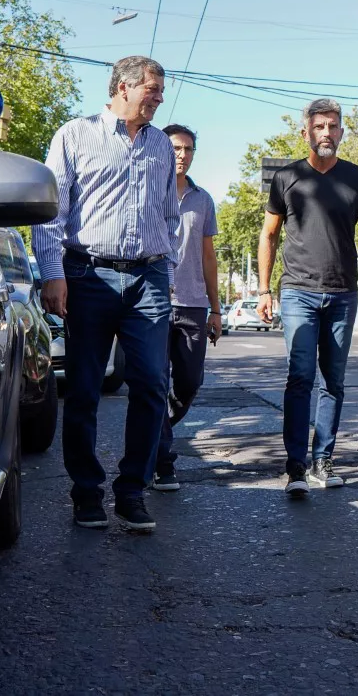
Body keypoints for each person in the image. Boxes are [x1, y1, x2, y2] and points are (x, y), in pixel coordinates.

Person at [32, 55, 178, 532]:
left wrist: (167, 270)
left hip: (148, 279)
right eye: (152, 89)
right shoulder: (74, 135)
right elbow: (52, 211)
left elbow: (169, 216)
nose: (158, 97)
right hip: (87, 277)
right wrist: (53, 274)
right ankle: (86, 492)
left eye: (159, 90)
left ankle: (132, 491)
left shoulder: (160, 146)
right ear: (123, 87)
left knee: (153, 385)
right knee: (85, 390)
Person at [257, 98, 358, 497]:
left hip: (344, 292)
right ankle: (295, 465)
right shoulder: (286, 178)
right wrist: (263, 289)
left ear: (341, 132)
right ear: (306, 132)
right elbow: (269, 235)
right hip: (298, 291)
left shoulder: (357, 178)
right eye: (319, 127)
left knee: (334, 381)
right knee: (300, 378)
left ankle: (322, 460)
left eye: (333, 127)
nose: (326, 133)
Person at [153, 124, 221, 493]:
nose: (182, 155)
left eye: (189, 149)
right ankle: (163, 461)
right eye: (176, 148)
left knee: (189, 383)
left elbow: (208, 255)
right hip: (154, 300)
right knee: (154, 381)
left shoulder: (203, 199)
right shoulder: (147, 191)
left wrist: (216, 308)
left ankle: (155, 431)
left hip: (194, 302)